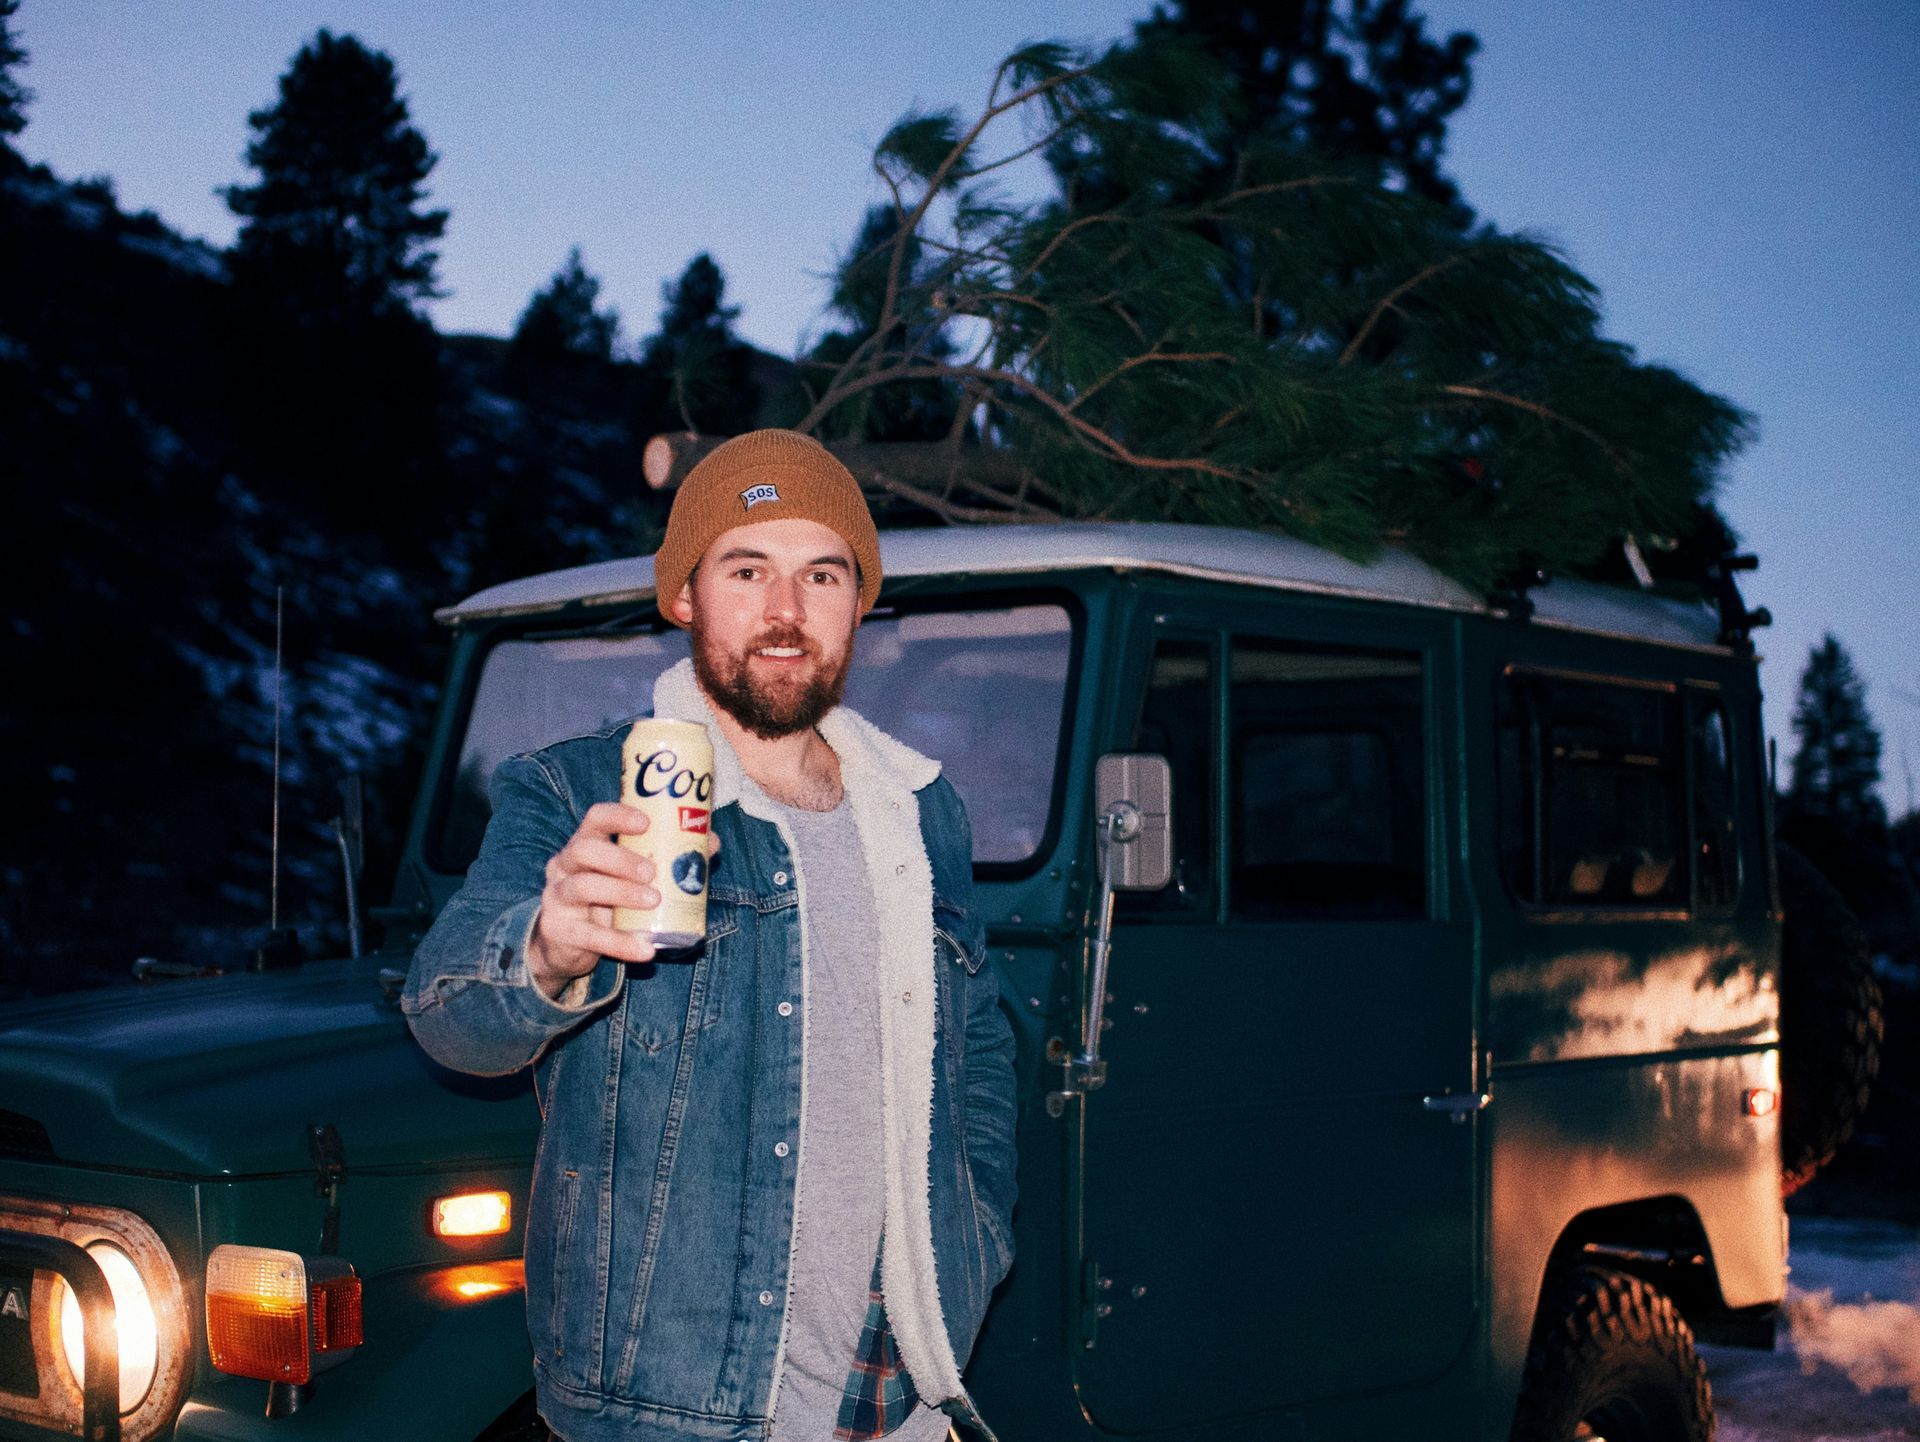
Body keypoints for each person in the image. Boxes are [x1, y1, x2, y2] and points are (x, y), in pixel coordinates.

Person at [404, 429, 1017, 1442]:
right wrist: (550, 950)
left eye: (823, 573)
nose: (787, 610)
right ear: (684, 594)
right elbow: (448, 1015)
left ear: (857, 601)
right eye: (748, 569)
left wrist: (978, 1227)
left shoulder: (921, 809)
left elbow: (976, 1047)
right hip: (670, 1410)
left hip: (896, 1396)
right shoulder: (575, 787)